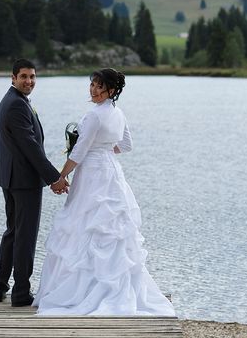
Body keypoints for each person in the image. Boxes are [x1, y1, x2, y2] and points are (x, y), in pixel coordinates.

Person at [34, 68, 176, 316]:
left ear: (112, 90)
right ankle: (111, 287)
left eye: (100, 86)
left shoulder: (93, 116)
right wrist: (106, 150)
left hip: (91, 175)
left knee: (84, 225)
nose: (94, 90)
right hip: (111, 172)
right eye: (92, 85)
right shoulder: (118, 113)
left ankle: (80, 291)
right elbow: (127, 145)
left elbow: (79, 152)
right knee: (110, 229)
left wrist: (61, 175)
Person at [0, 58, 68, 307]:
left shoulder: (15, 101)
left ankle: (0, 286)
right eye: (24, 76)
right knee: (25, 236)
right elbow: (31, 147)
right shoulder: (15, 105)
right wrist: (55, 177)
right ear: (13, 77)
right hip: (23, 180)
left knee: (13, 233)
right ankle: (21, 293)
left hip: (12, 177)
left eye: (33, 77)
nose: (29, 81)